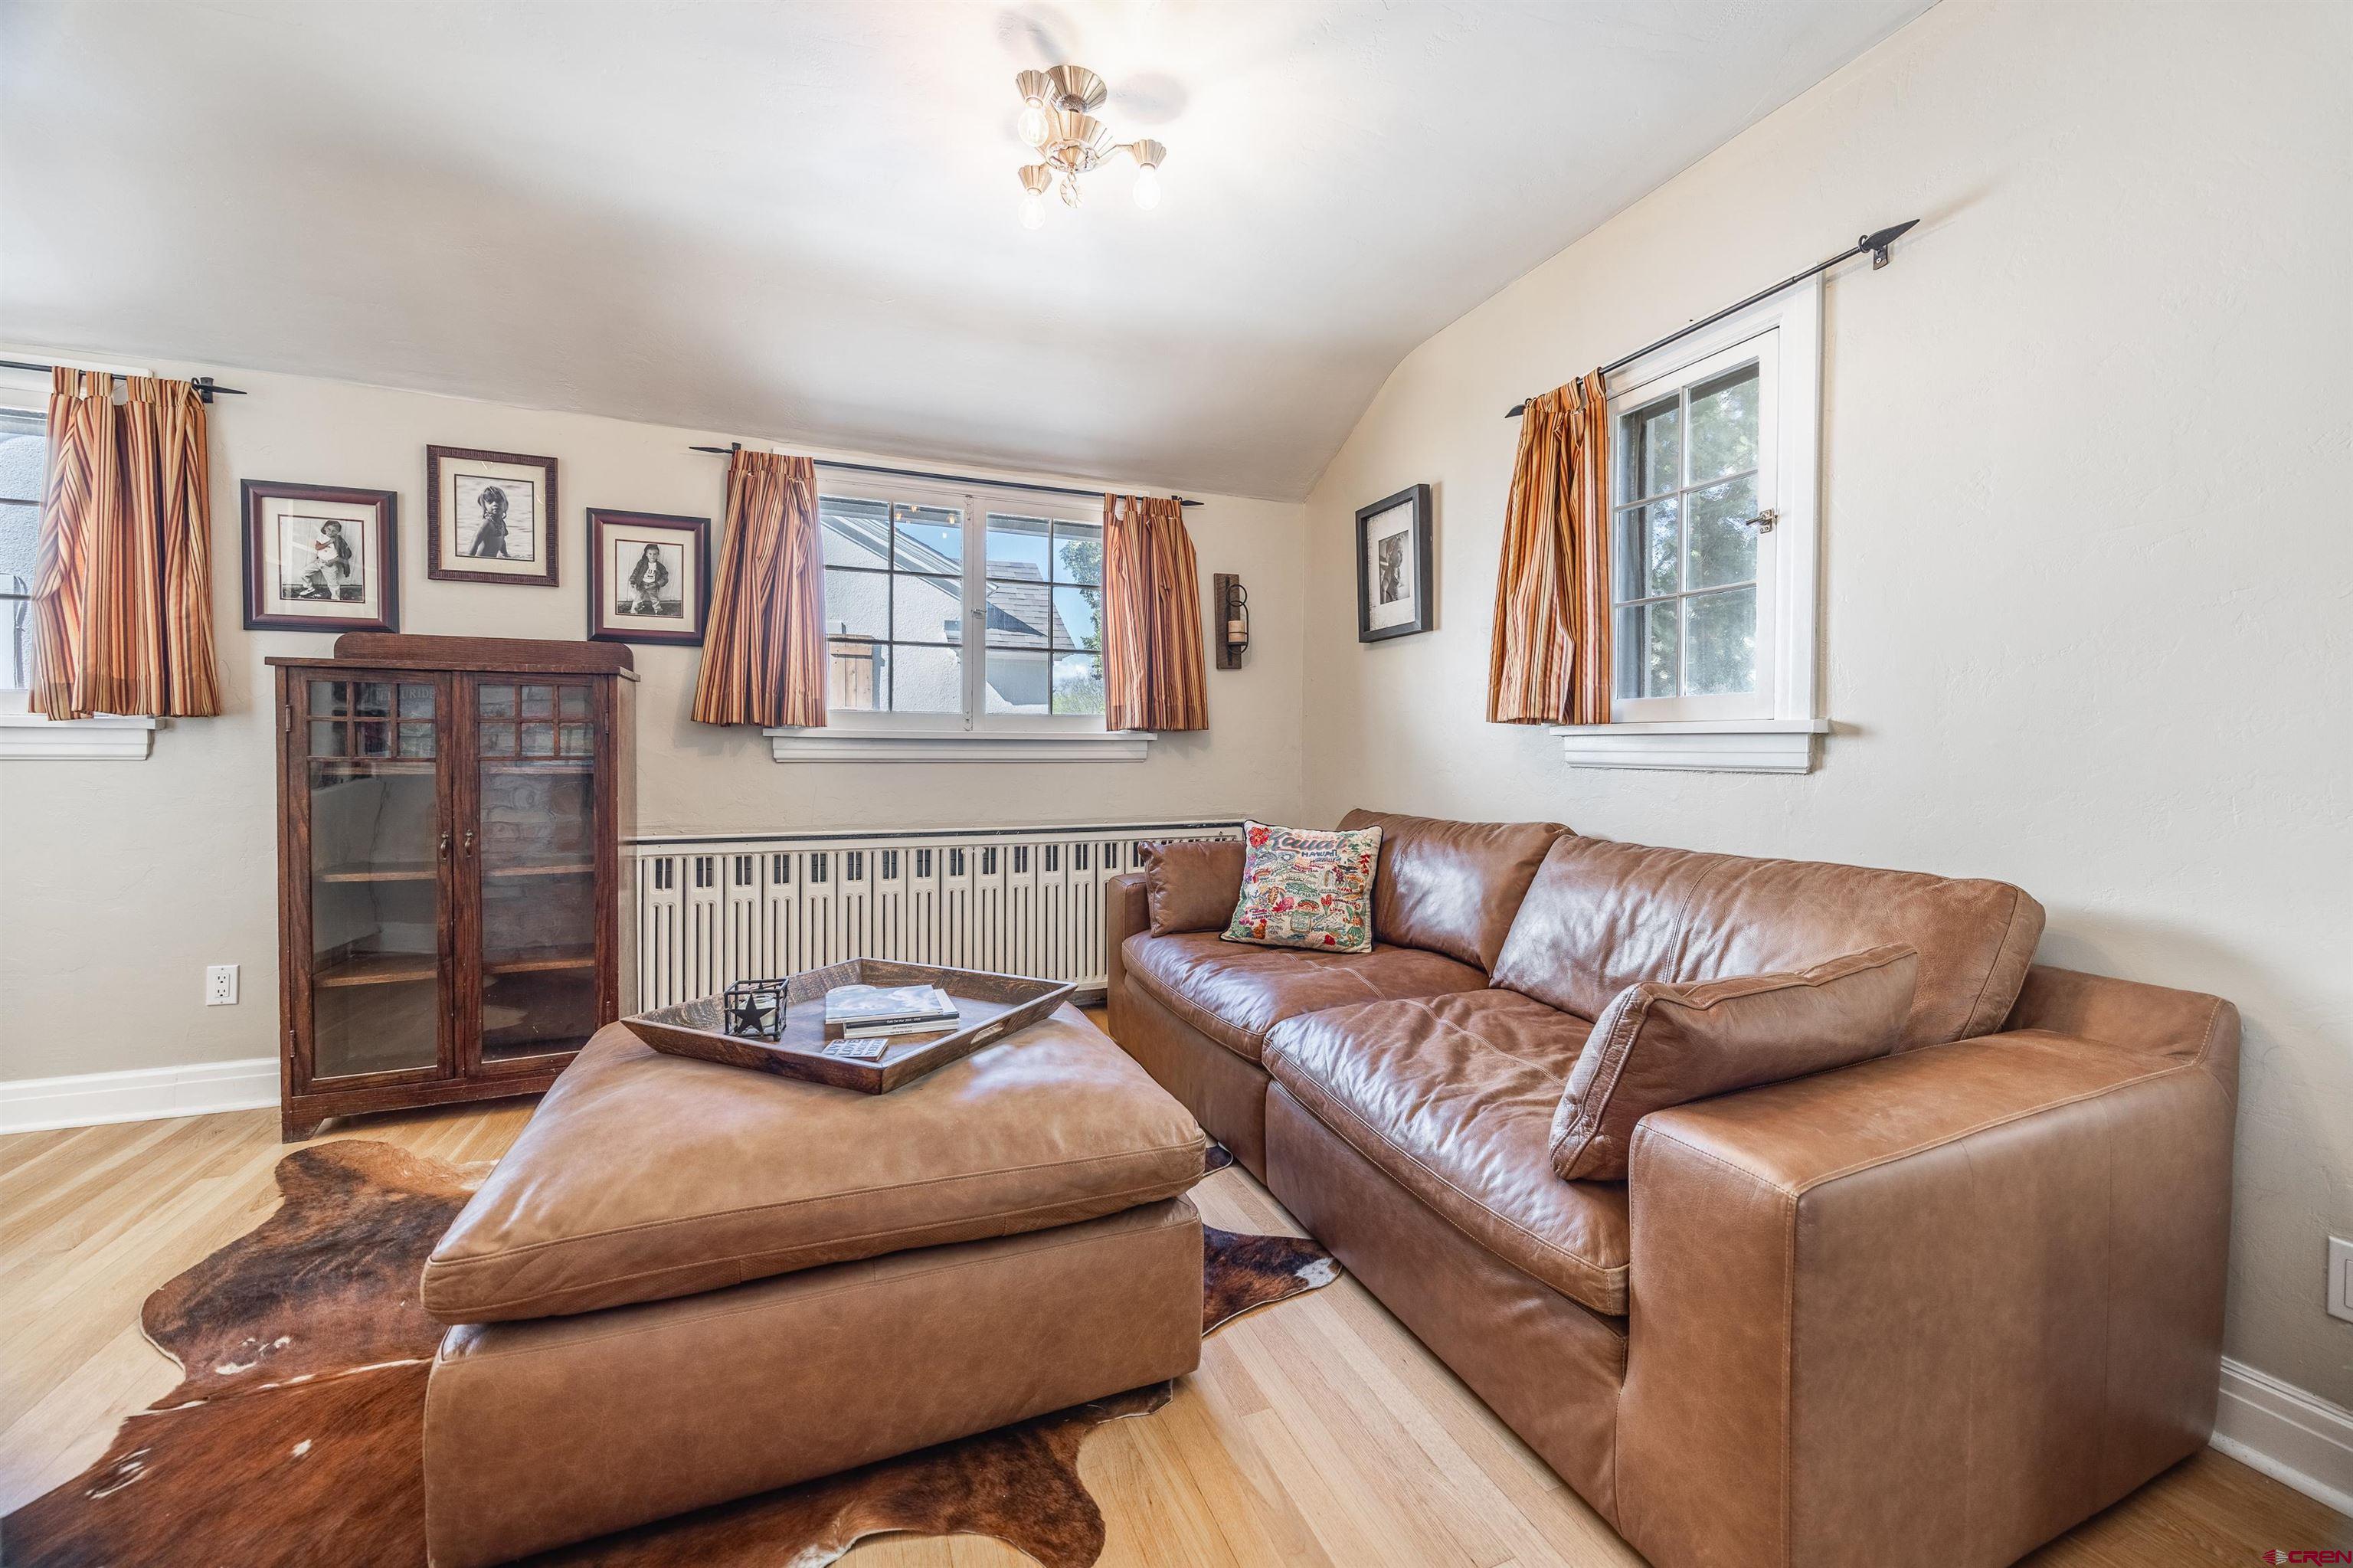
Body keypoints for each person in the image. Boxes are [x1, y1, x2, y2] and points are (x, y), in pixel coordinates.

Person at [627, 542, 669, 615]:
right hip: (642, 584)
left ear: (658, 554)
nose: (652, 556)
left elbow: (665, 577)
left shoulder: (660, 566)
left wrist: (657, 584)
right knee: (638, 598)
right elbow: (636, 571)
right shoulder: (642, 563)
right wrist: (633, 581)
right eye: (650, 554)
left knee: (655, 599)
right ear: (646, 554)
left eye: (655, 554)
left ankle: (658, 610)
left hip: (652, 585)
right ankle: (634, 611)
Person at [467, 486, 510, 558]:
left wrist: (506, 556)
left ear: (506, 505)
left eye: (498, 500)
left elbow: (502, 542)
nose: (495, 504)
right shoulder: (487, 524)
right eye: (490, 501)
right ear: (485, 507)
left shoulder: (501, 524)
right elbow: (473, 546)